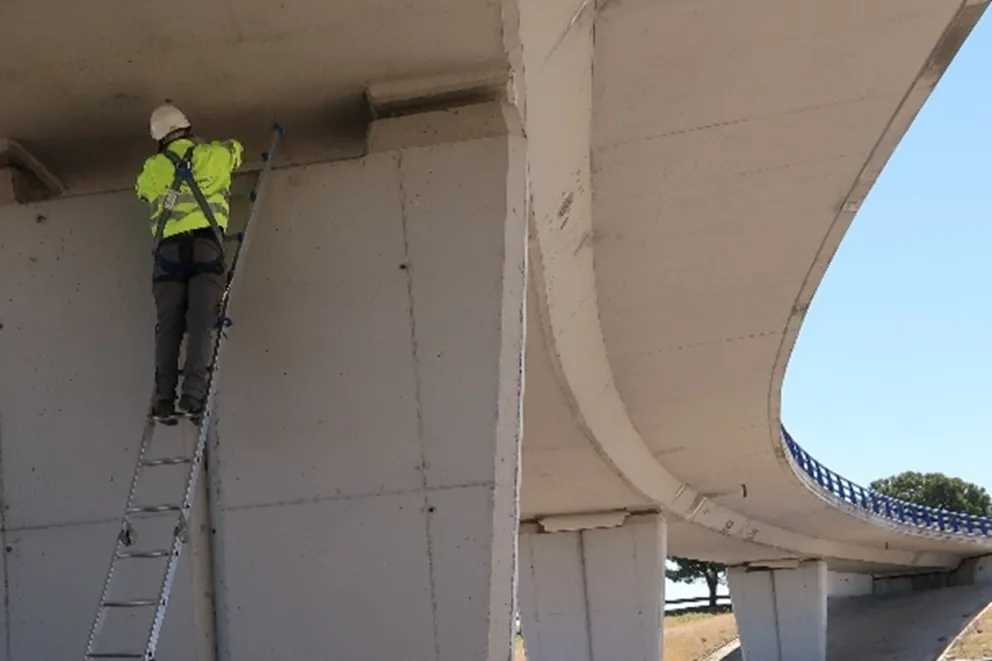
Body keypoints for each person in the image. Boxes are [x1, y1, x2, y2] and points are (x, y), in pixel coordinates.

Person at [135, 104, 243, 423]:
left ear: (159, 138)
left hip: (168, 255)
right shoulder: (211, 155)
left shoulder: (153, 167)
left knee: (168, 327)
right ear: (188, 128)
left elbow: (141, 190)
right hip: (205, 249)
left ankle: (164, 399)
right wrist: (208, 147)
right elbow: (236, 150)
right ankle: (193, 397)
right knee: (201, 323)